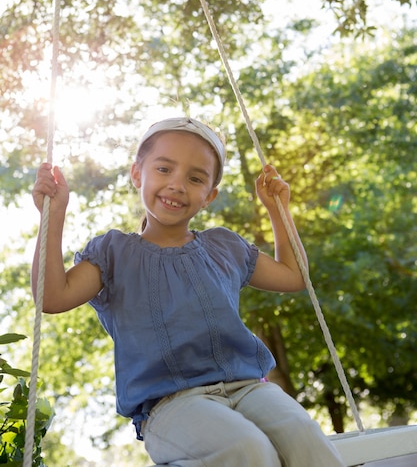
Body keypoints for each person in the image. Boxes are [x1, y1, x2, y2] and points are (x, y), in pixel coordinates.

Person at [32, 116, 345, 467]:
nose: (177, 184)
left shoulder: (223, 246)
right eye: (164, 169)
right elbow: (53, 297)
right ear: (137, 173)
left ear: (209, 195)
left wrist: (278, 210)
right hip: (172, 406)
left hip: (248, 388)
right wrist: (54, 214)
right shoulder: (114, 253)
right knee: (247, 449)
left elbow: (293, 276)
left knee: (303, 433)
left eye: (195, 178)